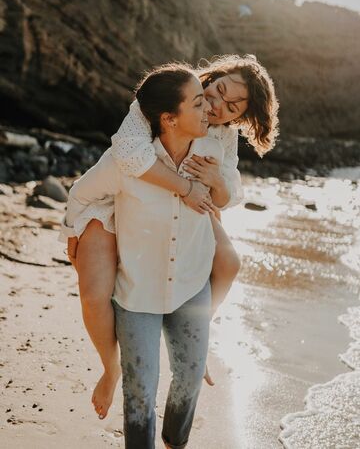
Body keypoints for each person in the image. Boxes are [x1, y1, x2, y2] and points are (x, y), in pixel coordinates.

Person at [62, 54, 279, 420]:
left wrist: (213, 183)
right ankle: (110, 368)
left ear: (241, 117)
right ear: (211, 78)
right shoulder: (170, 93)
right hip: (120, 198)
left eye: (231, 107)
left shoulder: (222, 136)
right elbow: (129, 156)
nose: (215, 105)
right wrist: (187, 188)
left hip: (184, 206)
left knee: (228, 261)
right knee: (94, 293)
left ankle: (195, 338)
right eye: (217, 91)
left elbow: (226, 196)